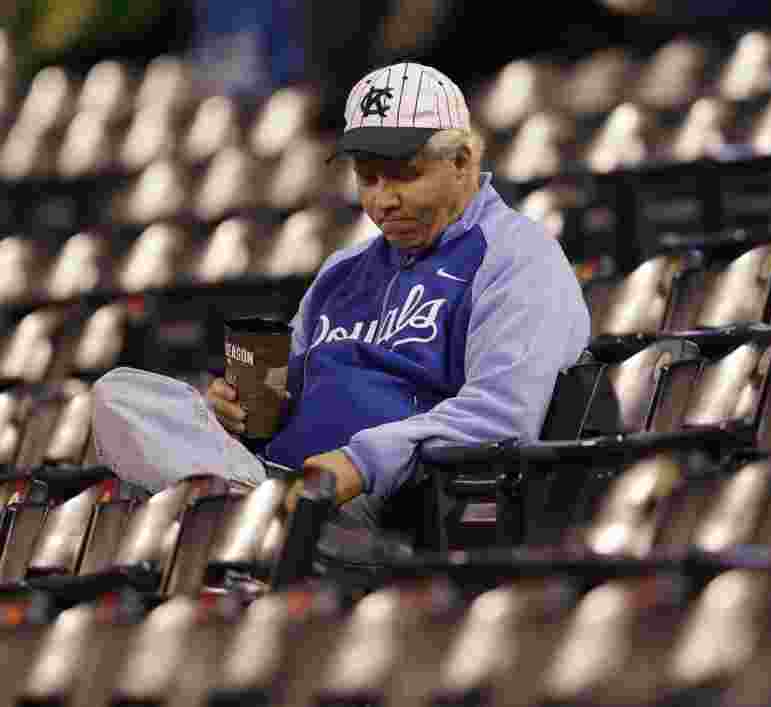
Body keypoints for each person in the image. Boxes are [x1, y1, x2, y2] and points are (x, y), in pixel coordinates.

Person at [91, 62, 591, 533]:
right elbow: (292, 394)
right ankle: (251, 509)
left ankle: (243, 517)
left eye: (403, 175)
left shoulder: (517, 258)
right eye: (366, 177)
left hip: (383, 503)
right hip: (279, 477)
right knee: (120, 394)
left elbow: (501, 417)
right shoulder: (342, 271)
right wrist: (243, 412)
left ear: (461, 162)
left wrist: (360, 462)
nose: (381, 200)